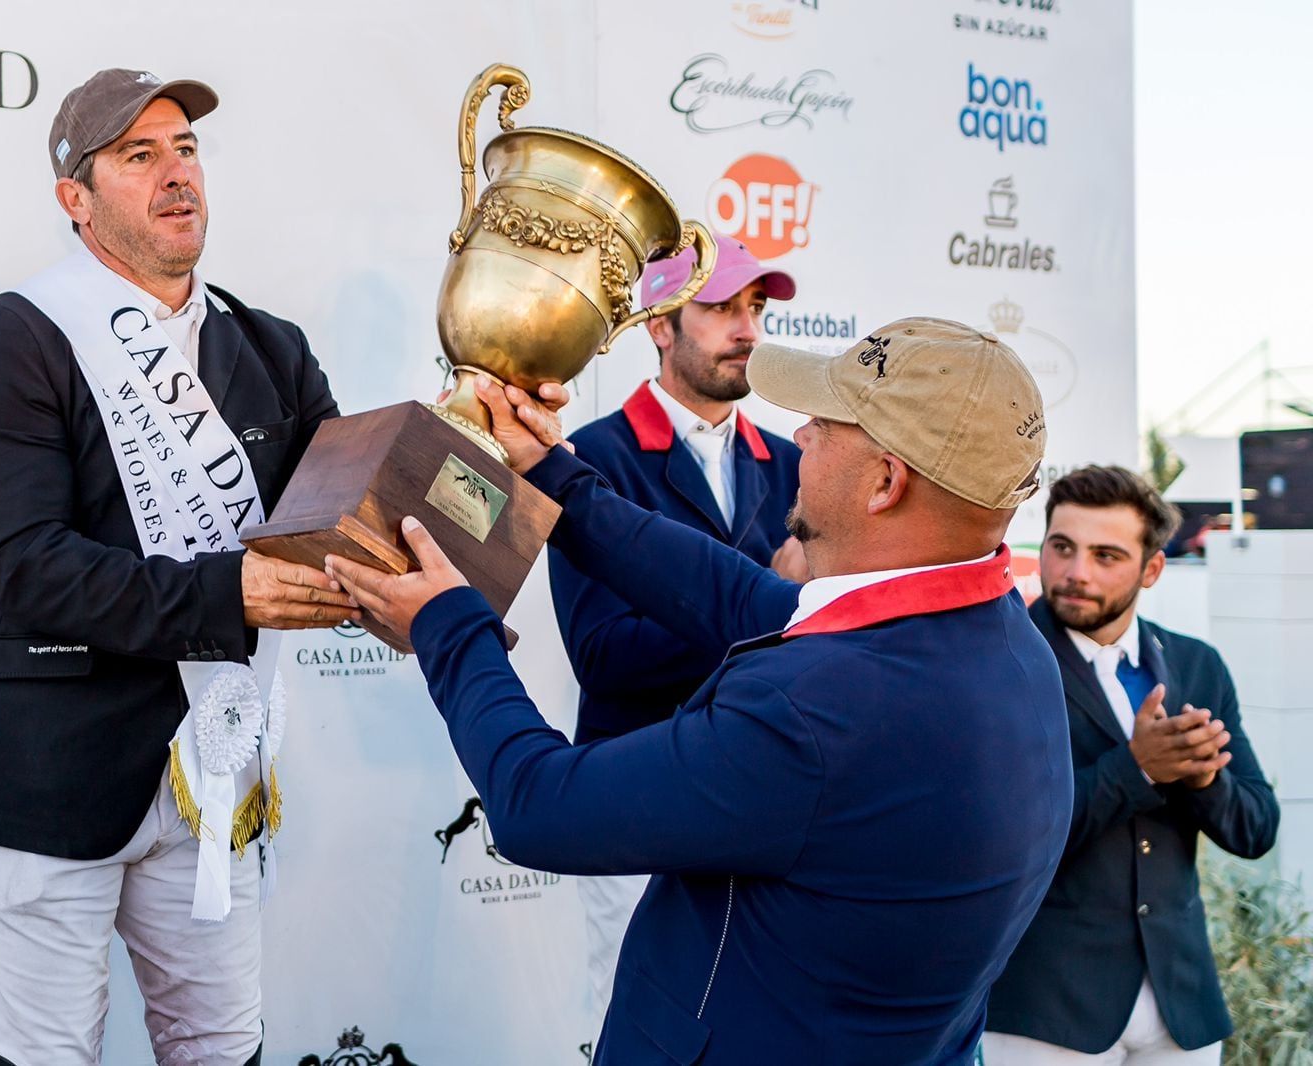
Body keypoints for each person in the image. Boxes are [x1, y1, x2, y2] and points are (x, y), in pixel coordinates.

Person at [328, 318, 1073, 1064]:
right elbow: (738, 594)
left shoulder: (815, 713)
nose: (802, 437)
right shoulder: (1005, 640)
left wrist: (449, 625)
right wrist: (558, 478)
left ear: (886, 482)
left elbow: (534, 805)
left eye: (825, 422)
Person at [0, 68, 358, 1066]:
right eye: (138, 154)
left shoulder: (271, 346)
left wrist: (472, 448)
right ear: (75, 198)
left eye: (187, 149)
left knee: (222, 1047)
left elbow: (344, 510)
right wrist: (228, 594)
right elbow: (25, 567)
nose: (176, 174)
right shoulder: (12, 337)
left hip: (210, 766)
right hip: (42, 772)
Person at [548, 233, 802, 1035]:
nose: (747, 329)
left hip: (766, 793)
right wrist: (763, 601)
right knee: (640, 1029)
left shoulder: (794, 463)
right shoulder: (589, 458)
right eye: (722, 307)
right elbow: (601, 655)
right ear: (660, 324)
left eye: (755, 307)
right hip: (639, 793)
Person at [984, 465, 1280, 1065]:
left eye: (1106, 555)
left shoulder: (1197, 665)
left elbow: (1256, 829)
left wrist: (1203, 779)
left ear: (1151, 569)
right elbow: (1002, 840)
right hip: (1046, 1007)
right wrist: (1138, 768)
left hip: (1182, 1006)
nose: (1076, 572)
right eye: (1062, 547)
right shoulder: (999, 660)